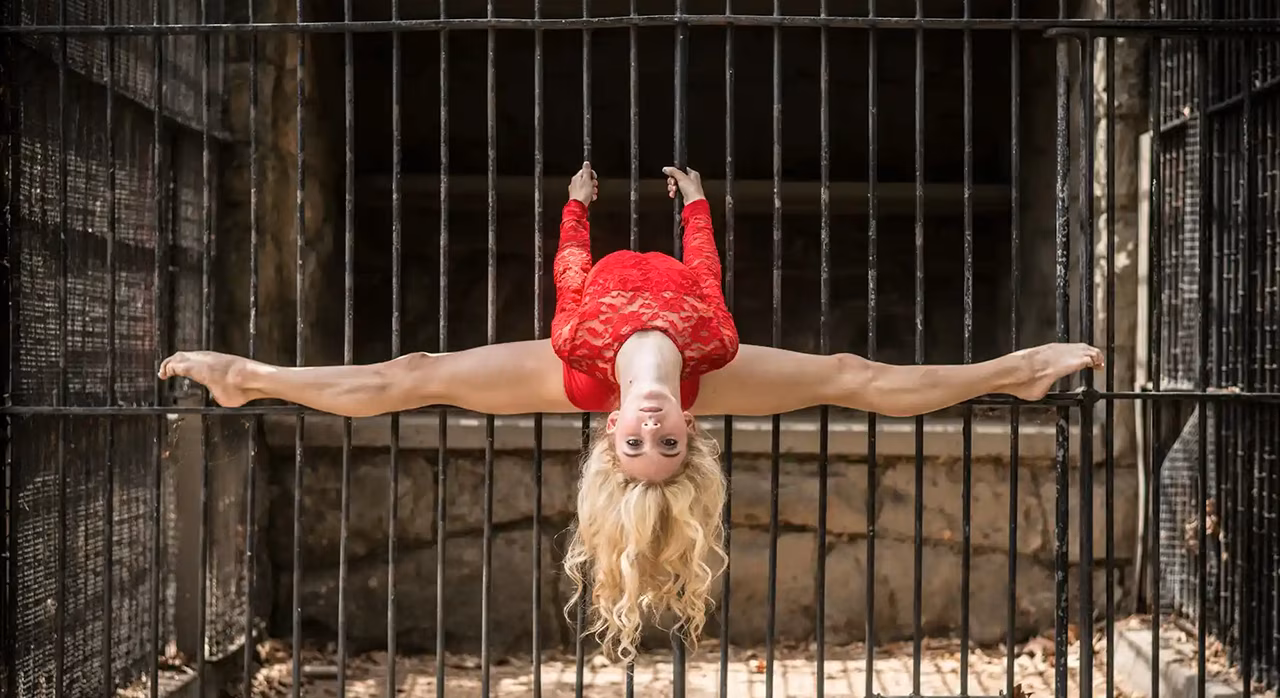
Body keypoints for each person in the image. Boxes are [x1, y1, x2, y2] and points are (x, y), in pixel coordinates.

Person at [158, 162, 1103, 663]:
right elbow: (704, 276)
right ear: (690, 427)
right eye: (668, 440)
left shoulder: (580, 367)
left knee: (419, 371)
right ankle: (1015, 372)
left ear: (614, 431)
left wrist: (576, 211)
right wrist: (696, 207)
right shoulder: (712, 362)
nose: (653, 421)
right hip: (689, 337)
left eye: (639, 439)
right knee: (850, 372)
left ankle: (248, 376)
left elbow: (570, 274)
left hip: (582, 357)